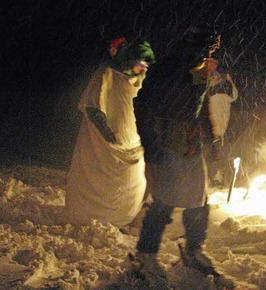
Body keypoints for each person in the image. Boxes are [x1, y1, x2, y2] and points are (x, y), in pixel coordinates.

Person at [131, 26, 235, 288]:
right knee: (163, 202)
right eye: (208, 49)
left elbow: (200, 108)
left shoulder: (199, 69)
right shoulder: (167, 70)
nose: (210, 54)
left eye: (212, 50)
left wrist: (211, 142)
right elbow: (142, 105)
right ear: (194, 45)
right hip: (165, 142)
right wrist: (151, 142)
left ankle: (193, 249)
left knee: (199, 200)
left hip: (190, 143)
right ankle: (145, 254)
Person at [63, 38, 155, 227]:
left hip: (131, 139)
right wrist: (104, 128)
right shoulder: (107, 74)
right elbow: (92, 104)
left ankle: (124, 216)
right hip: (103, 143)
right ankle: (92, 218)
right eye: (140, 63)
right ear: (129, 60)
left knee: (131, 180)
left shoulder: (141, 78)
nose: (143, 68)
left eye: (145, 64)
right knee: (99, 178)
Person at [199, 58, 238, 186]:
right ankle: (205, 178)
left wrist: (225, 81)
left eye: (213, 62)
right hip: (206, 124)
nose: (210, 65)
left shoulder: (224, 79)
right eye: (208, 62)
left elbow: (233, 96)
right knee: (206, 151)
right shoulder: (200, 78)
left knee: (220, 150)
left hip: (221, 123)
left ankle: (219, 176)